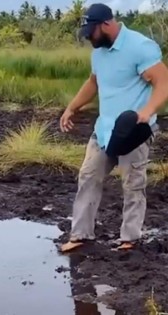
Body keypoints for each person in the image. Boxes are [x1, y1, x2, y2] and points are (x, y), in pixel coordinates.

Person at [59, 3, 168, 252]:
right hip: (104, 130)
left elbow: (163, 82)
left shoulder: (139, 47)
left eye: (91, 32)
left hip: (134, 131)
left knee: (132, 185)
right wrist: (71, 108)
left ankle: (130, 238)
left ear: (106, 24)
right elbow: (93, 82)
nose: (89, 38)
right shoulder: (99, 52)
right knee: (88, 176)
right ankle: (80, 235)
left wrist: (147, 111)